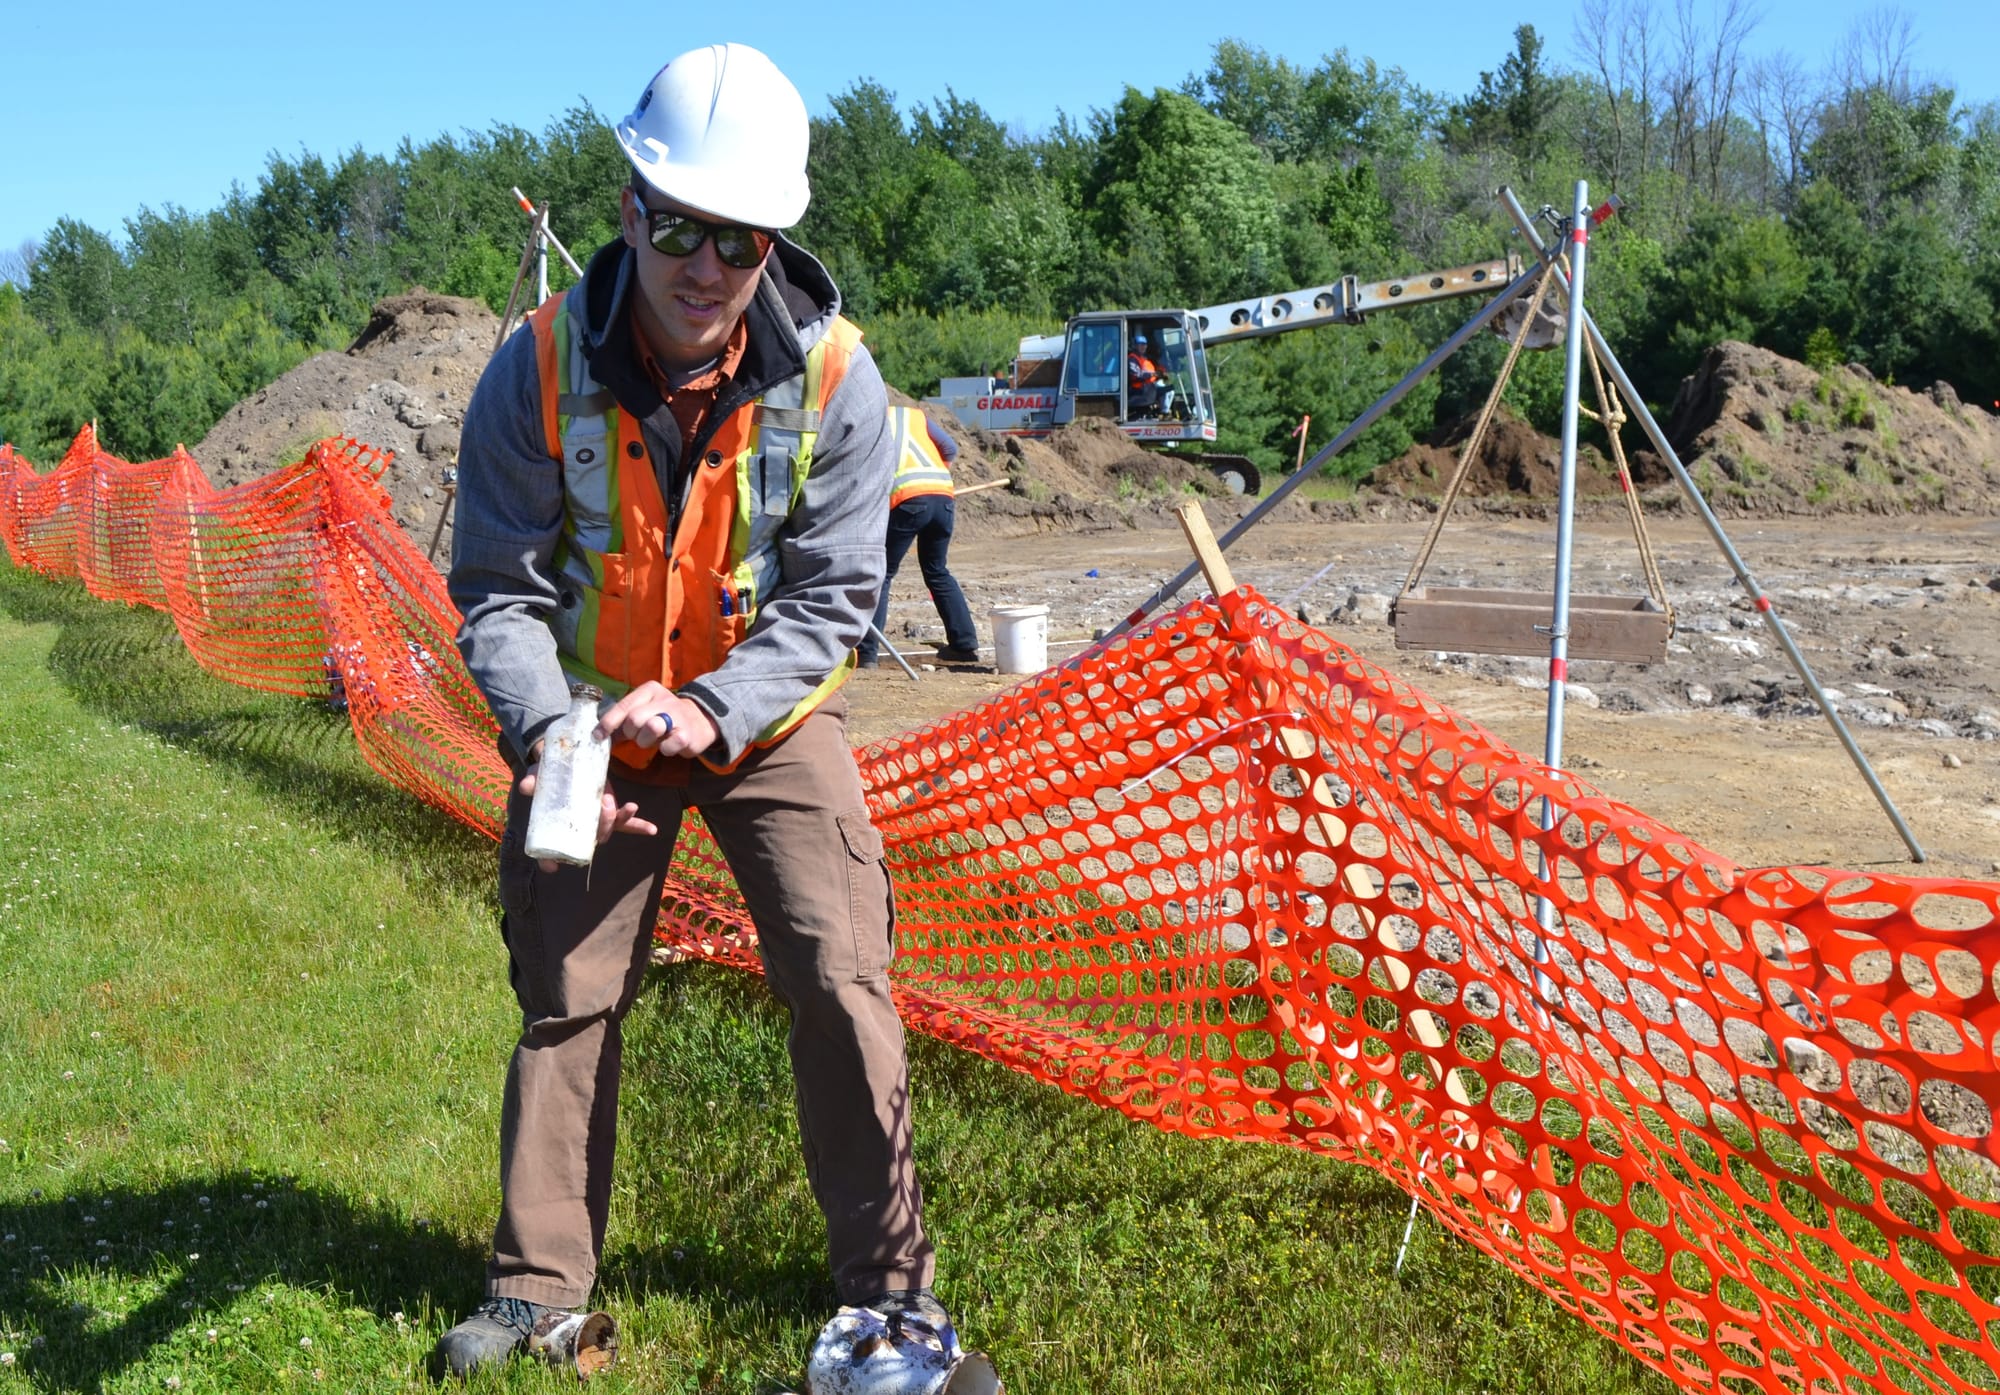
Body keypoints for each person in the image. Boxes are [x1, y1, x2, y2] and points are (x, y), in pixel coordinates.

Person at [440, 43, 951, 1379]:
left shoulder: (843, 381)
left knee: (840, 972)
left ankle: (893, 1298)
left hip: (766, 713)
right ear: (628, 211)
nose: (704, 265)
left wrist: (716, 711)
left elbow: (837, 601)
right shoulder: (533, 367)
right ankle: (536, 1284)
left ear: (772, 241)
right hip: (590, 712)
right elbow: (498, 588)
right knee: (567, 983)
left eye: (739, 237)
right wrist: (559, 734)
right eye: (678, 225)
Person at [855, 406, 980, 668]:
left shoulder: (868, 417)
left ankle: (867, 655)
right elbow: (950, 449)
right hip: (943, 495)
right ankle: (964, 645)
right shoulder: (914, 415)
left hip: (909, 500)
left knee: (882, 573)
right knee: (937, 571)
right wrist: (932, 479)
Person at [1126, 331, 1166, 417]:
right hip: (1139, 390)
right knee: (1165, 391)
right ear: (1135, 346)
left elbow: (1151, 372)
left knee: (1168, 389)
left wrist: (1160, 375)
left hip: (1148, 387)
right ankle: (1164, 413)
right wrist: (1152, 374)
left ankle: (1164, 412)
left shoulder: (1145, 359)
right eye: (1140, 345)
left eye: (1144, 344)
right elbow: (1136, 375)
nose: (1143, 347)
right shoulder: (1133, 359)